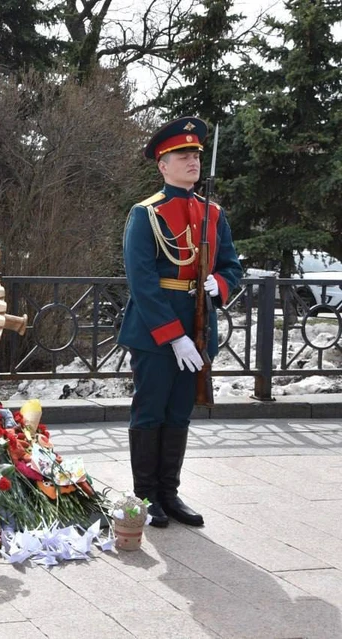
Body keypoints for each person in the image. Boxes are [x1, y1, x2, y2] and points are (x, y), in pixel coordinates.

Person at [118, 116, 242, 527]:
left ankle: (169, 493)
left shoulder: (213, 213)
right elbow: (143, 281)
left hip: (200, 326)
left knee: (179, 414)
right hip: (157, 332)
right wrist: (174, 337)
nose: (192, 161)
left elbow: (232, 268)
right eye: (182, 155)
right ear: (162, 164)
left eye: (195, 155)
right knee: (150, 411)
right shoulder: (146, 214)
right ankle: (146, 495)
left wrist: (218, 285)